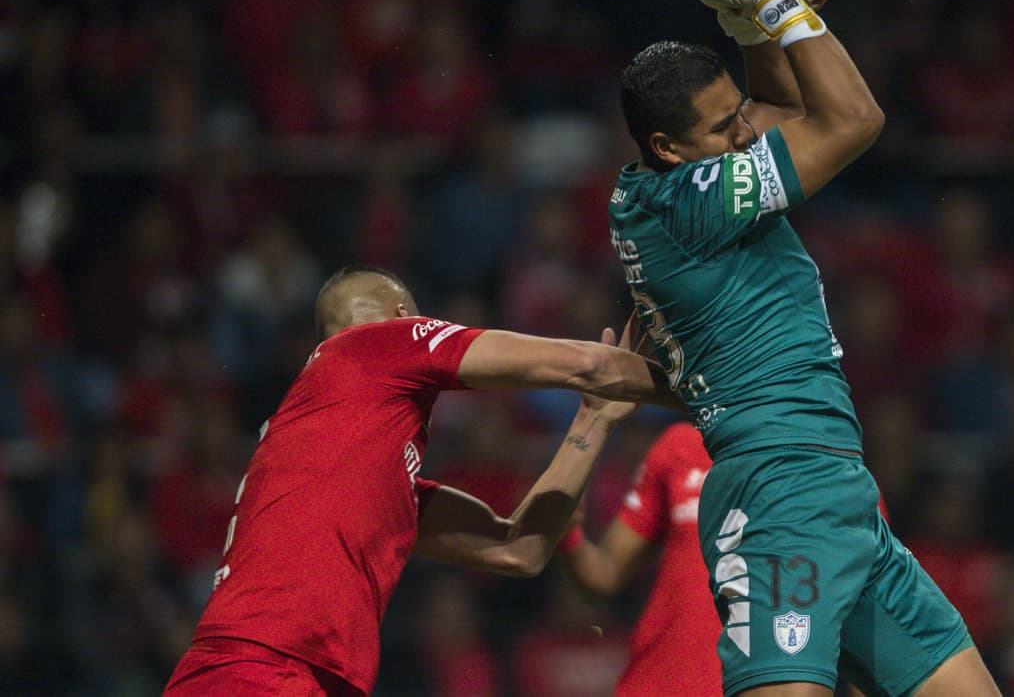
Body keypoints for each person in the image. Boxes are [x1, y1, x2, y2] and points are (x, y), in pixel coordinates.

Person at [607, 0, 1001, 696]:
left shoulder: (680, 181)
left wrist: (748, 27)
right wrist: (781, 3)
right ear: (667, 147)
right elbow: (853, 117)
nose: (744, 132)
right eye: (723, 127)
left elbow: (784, 107)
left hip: (837, 492)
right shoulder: (689, 206)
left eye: (736, 113)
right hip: (777, 495)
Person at [162, 264, 680, 697]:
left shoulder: (355, 469)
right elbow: (590, 363)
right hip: (262, 671)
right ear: (404, 316)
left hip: (288, 673)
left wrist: (594, 419)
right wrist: (708, 399)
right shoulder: (375, 343)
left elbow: (519, 549)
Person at [558, 420, 721, 696]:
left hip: (759, 678)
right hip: (660, 680)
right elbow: (604, 574)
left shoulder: (800, 450)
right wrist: (566, 529)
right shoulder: (682, 444)